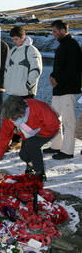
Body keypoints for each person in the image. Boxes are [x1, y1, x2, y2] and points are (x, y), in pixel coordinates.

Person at [0, 95, 61, 181]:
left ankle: (40, 173)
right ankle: (31, 165)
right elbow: (4, 138)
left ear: (22, 112)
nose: (13, 120)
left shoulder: (38, 107)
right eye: (11, 118)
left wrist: (39, 134)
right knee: (23, 155)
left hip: (47, 130)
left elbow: (54, 124)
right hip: (28, 134)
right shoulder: (8, 116)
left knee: (32, 145)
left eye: (14, 118)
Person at [43, 20, 82, 159]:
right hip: (59, 89)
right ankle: (56, 145)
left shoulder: (72, 45)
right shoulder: (63, 45)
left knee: (68, 121)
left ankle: (67, 151)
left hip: (68, 89)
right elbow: (59, 68)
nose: (52, 34)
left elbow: (73, 70)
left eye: (54, 31)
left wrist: (57, 79)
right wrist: (52, 76)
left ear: (63, 31)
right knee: (54, 118)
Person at [4, 26, 43, 147]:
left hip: (26, 91)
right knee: (14, 118)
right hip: (14, 91)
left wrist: (27, 85)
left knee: (27, 119)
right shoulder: (13, 51)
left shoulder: (31, 50)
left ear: (23, 37)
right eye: (13, 39)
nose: (14, 42)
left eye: (16, 39)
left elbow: (36, 70)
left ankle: (28, 143)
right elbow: (7, 69)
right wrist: (7, 85)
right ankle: (16, 141)